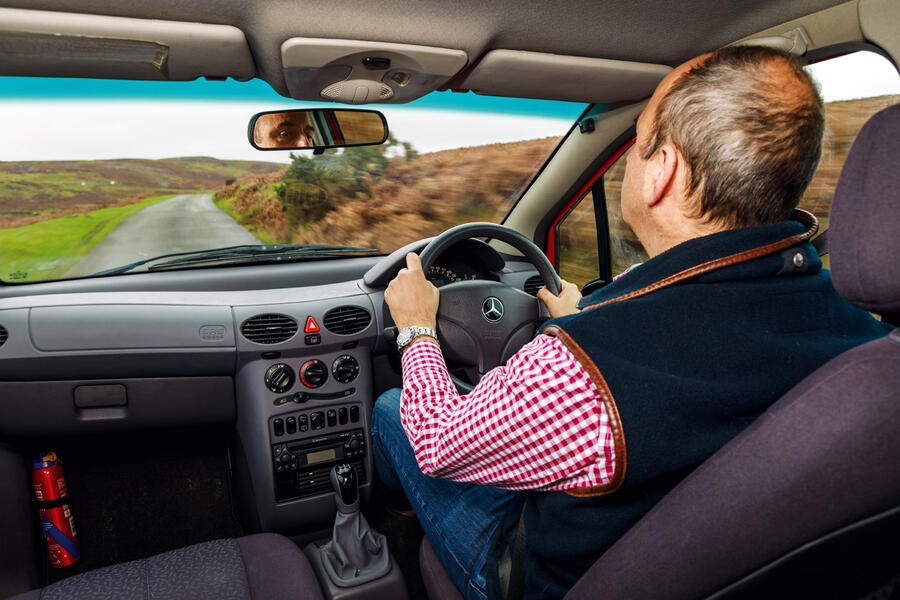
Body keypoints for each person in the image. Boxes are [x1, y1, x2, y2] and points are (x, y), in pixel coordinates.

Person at [371, 45, 890, 600]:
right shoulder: (866, 340)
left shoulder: (577, 372)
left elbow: (437, 441)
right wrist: (582, 318)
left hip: (540, 575)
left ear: (661, 172)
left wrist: (418, 327)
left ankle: (392, 543)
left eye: (637, 144)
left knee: (391, 413)